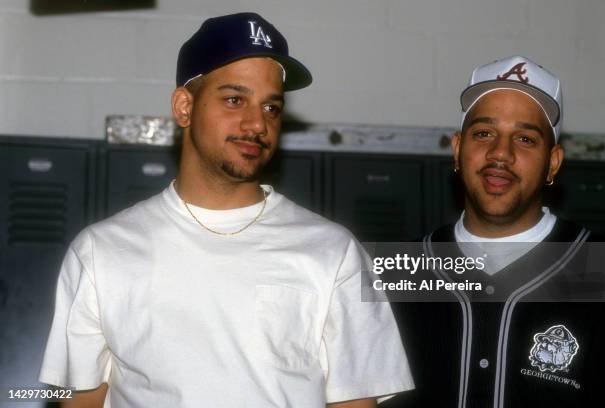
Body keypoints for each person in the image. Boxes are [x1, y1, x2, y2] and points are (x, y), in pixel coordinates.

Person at [38, 12, 413, 408]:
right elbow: (81, 401)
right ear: (184, 107)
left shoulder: (333, 251)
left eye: (271, 108)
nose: (257, 124)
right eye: (235, 99)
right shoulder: (101, 251)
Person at [383, 56, 605, 407]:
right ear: (458, 150)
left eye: (524, 138)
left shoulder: (601, 267)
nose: (500, 153)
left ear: (553, 162)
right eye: (484, 133)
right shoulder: (400, 272)